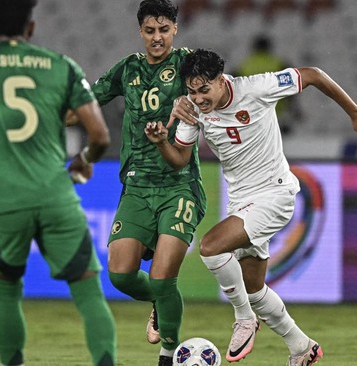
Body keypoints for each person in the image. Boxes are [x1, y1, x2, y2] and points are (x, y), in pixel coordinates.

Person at [145, 49, 357, 365]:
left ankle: (244, 319)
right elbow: (180, 159)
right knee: (254, 289)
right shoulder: (194, 110)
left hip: (275, 194)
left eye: (204, 89)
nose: (198, 98)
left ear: (221, 80)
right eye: (192, 91)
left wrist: (354, 111)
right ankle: (302, 347)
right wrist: (162, 142)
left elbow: (312, 74)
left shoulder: (256, 87)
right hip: (242, 202)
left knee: (211, 247)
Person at [0, 1, 116, 365]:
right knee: (88, 291)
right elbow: (99, 135)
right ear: (31, 28)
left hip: (3, 204)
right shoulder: (62, 66)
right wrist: (84, 160)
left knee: (6, 292)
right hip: (55, 197)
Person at [90, 1, 206, 365]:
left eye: (164, 30)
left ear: (175, 29)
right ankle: (158, 302)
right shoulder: (128, 69)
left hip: (179, 183)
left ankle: (168, 355)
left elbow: (216, 95)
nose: (157, 38)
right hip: (137, 185)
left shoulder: (189, 65)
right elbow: (88, 101)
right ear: (141, 32)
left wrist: (195, 106)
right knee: (120, 276)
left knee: (161, 278)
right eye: (150, 31)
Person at [235, 34, 302, 135]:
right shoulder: (279, 64)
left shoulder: (244, 66)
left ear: (254, 48)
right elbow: (291, 87)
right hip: (276, 114)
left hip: (252, 115)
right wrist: (295, 109)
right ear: (269, 47)